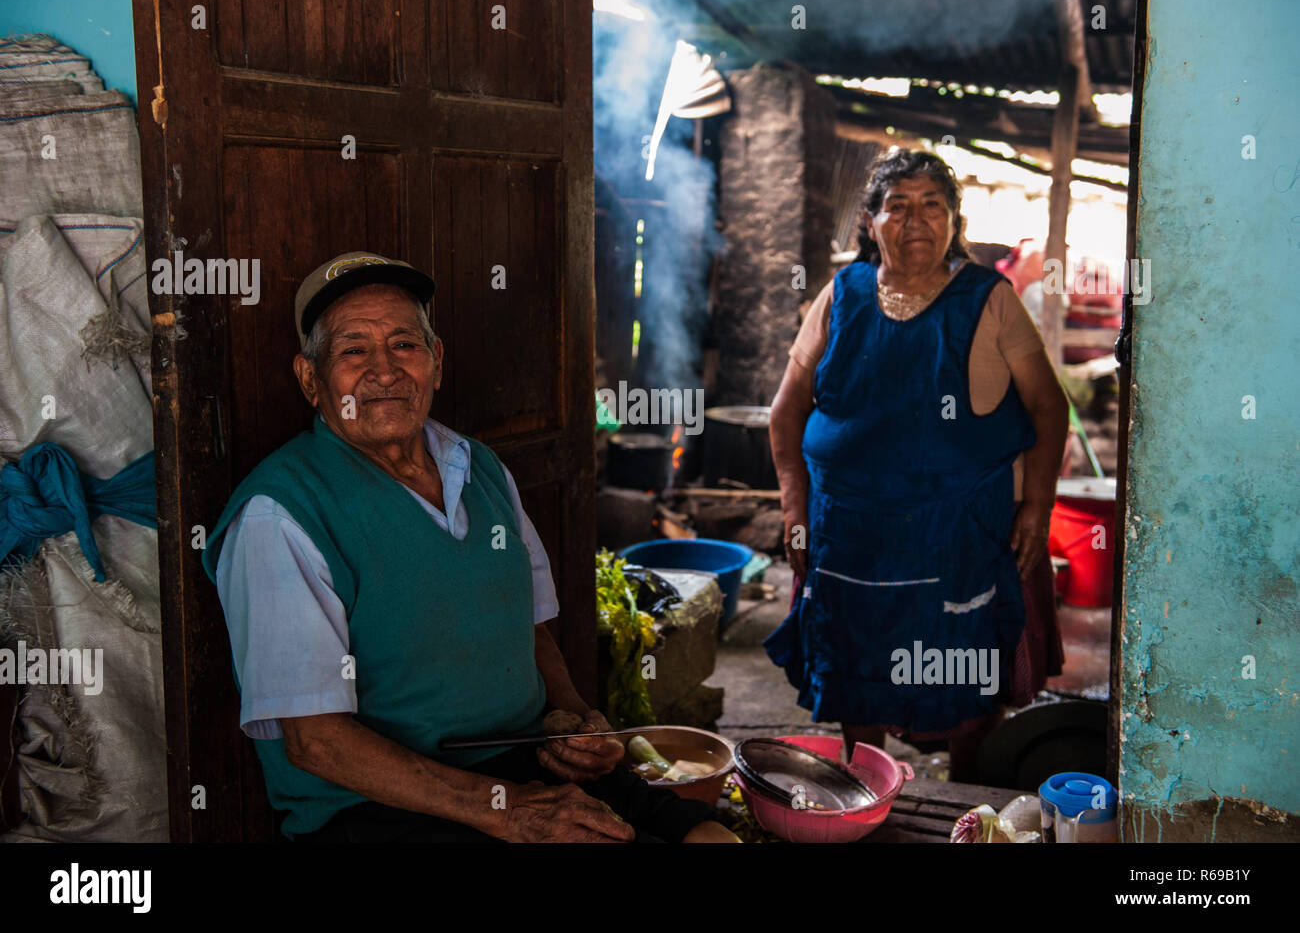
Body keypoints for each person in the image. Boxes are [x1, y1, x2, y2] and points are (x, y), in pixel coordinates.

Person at [200, 251, 737, 843]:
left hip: (526, 765)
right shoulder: (280, 513)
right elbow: (316, 742)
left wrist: (573, 721)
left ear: (437, 361)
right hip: (385, 807)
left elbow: (528, 628)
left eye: (405, 344)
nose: (384, 370)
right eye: (353, 350)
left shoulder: (478, 467)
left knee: (708, 836)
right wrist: (506, 810)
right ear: (310, 378)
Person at [767, 151, 1068, 781]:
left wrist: (1037, 508)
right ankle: (864, 787)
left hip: (955, 536)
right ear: (871, 222)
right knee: (856, 662)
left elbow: (1047, 405)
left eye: (933, 204)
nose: (915, 221)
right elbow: (785, 413)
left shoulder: (989, 300)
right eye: (896, 206)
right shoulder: (841, 295)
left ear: (954, 220)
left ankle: (966, 798)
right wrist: (795, 509)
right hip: (849, 535)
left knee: (960, 672)